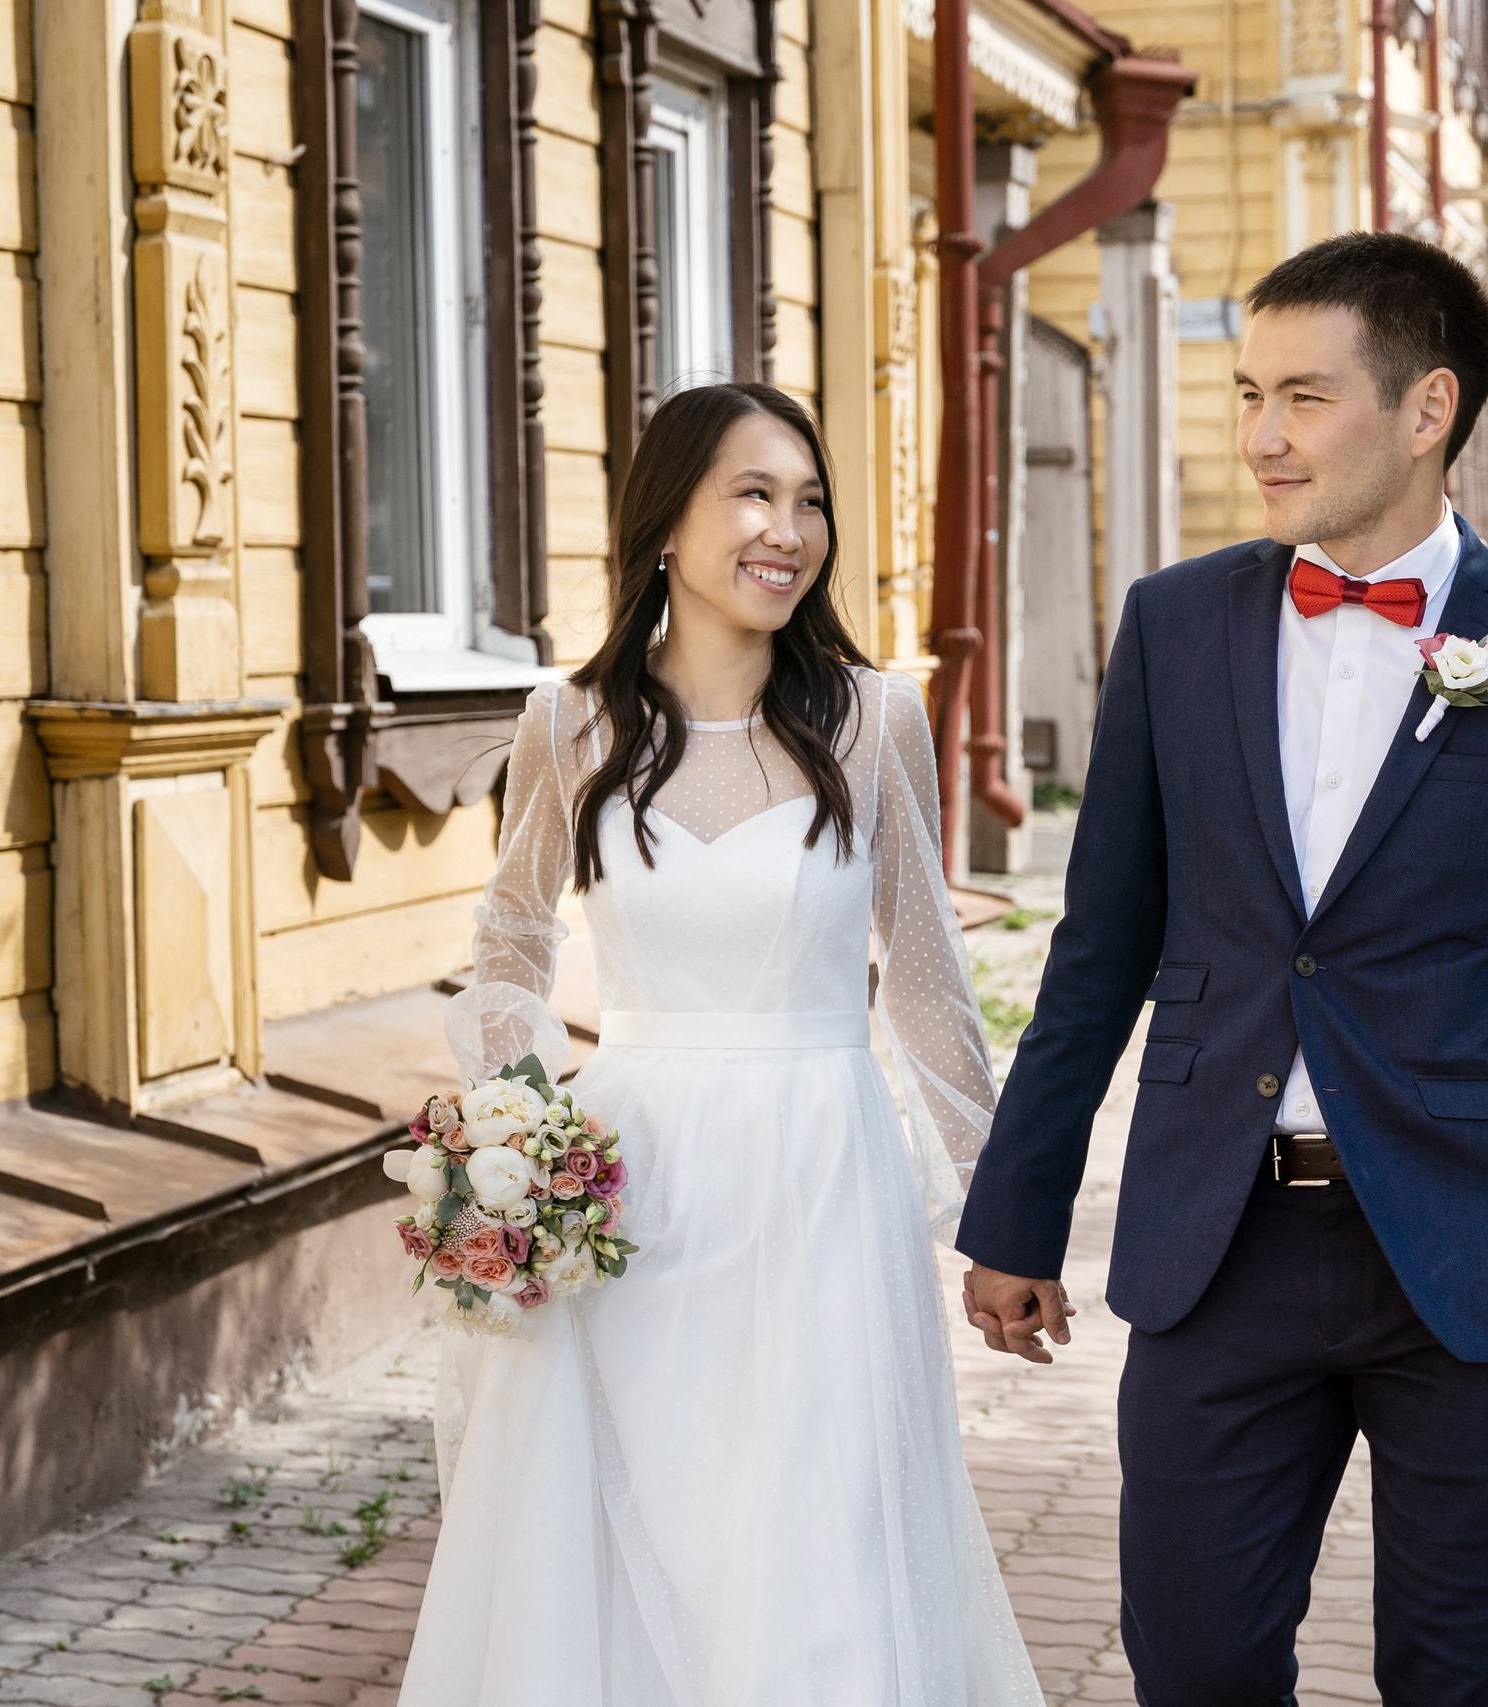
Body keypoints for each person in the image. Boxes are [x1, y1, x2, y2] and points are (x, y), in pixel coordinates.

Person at [958, 232, 1488, 1705]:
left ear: (1427, 410)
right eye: (1246, 394)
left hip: (1474, 1267)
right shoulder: (1174, 625)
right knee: (1196, 1662)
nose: (1261, 438)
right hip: (1219, 1247)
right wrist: (1015, 1215)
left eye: (1302, 396)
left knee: (1463, 1677)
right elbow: (1102, 949)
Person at [401, 382, 1043, 1706]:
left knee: (816, 1537)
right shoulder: (567, 724)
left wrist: (1005, 1217)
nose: (787, 529)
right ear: (666, 524)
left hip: (821, 1174)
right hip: (629, 1187)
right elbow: (513, 941)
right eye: (754, 493)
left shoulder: (875, 718)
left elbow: (927, 988)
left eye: (809, 502)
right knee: (621, 1524)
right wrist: (520, 1137)